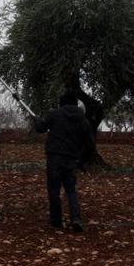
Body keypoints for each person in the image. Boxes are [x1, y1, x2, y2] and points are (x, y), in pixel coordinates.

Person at [33, 93, 94, 232]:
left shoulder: (55, 114)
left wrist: (37, 120)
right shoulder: (82, 119)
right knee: (71, 190)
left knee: (54, 190)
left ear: (62, 103)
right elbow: (90, 143)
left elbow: (41, 128)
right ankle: (76, 218)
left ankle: (56, 221)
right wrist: (82, 160)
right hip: (72, 159)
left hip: (55, 157)